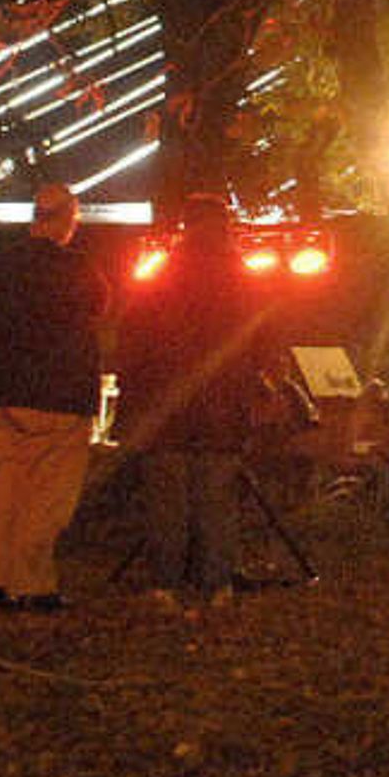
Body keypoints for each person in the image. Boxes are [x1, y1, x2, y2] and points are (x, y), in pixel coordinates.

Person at [113, 200, 272, 597]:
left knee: (167, 501)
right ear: (225, 227)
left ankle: (165, 584)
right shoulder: (245, 280)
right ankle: (216, 583)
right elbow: (264, 345)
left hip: (167, 411)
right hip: (223, 412)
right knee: (217, 500)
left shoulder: (161, 277)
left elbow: (133, 344)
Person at [0, 183, 111, 613]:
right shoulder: (78, 269)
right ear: (70, 217)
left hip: (1, 392)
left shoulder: (1, 266)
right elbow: (99, 308)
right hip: (58, 395)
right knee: (47, 495)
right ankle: (31, 584)